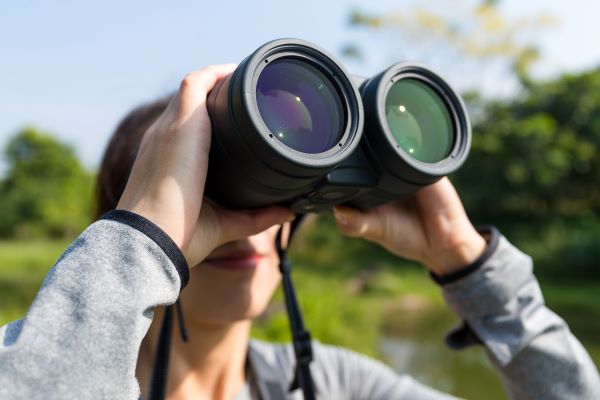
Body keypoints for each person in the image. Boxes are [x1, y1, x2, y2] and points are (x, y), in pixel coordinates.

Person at [0, 64, 598, 400]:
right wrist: (139, 244)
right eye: (202, 190)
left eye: (266, 188)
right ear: (128, 216)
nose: (246, 233)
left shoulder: (338, 387)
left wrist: (471, 265)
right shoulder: (43, 360)